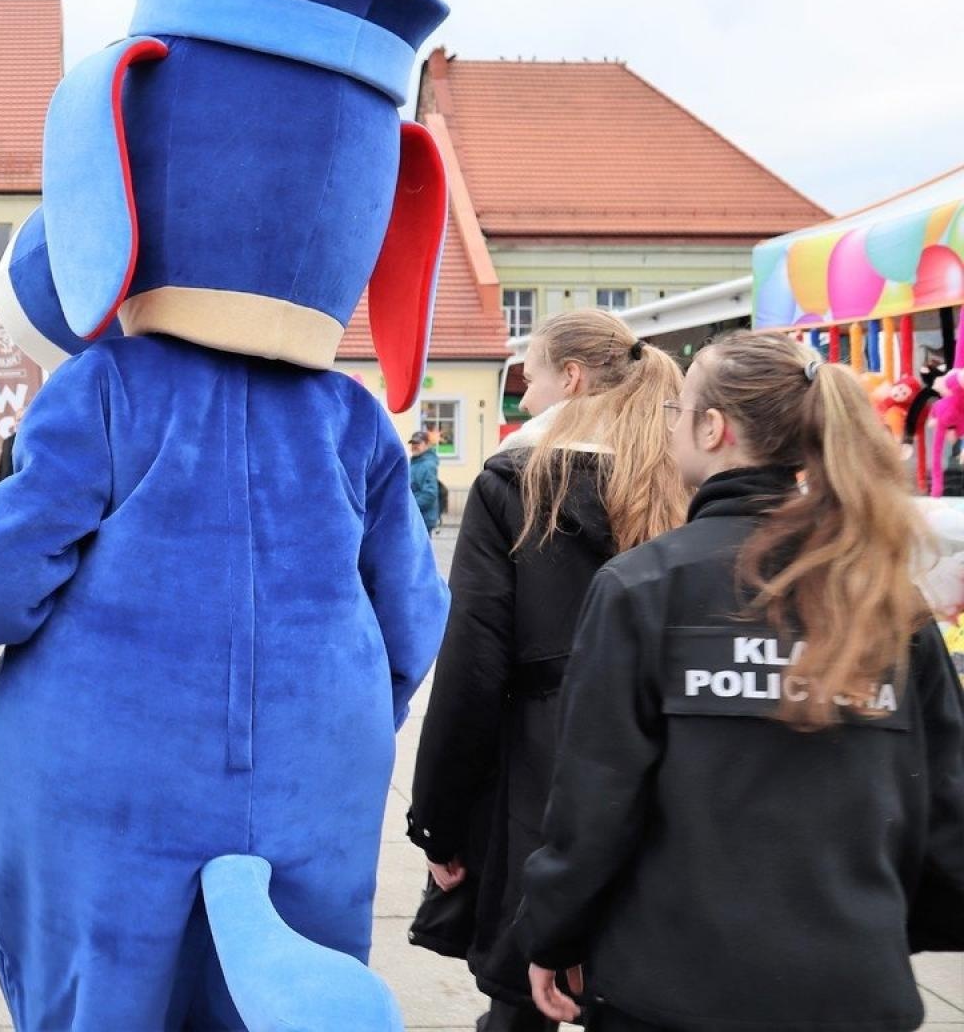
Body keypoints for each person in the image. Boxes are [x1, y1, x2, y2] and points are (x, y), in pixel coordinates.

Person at [521, 330, 964, 1030]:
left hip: (670, 993)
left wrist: (551, 933)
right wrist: (868, 936)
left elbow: (594, 803)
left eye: (680, 408)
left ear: (714, 428)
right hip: (852, 994)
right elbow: (948, 812)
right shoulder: (888, 600)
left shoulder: (643, 587)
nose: (671, 426)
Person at [407, 309, 687, 1032]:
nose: (522, 401)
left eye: (526, 381)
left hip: (542, 769)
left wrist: (438, 822)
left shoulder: (516, 481)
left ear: (569, 378)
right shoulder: (684, 478)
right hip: (670, 769)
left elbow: (471, 666)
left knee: (521, 1004)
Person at [408, 428, 441, 536]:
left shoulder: (427, 465)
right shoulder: (414, 463)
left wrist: (409, 506)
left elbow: (429, 494)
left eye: (418, 443)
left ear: (427, 444)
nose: (414, 446)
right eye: (413, 443)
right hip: (416, 517)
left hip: (422, 519)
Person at [0, 419, 19, 485]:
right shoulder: (7, 441)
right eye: (17, 420)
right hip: (5, 485)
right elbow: (1, 467)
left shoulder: (29, 441)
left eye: (21, 419)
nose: (18, 423)